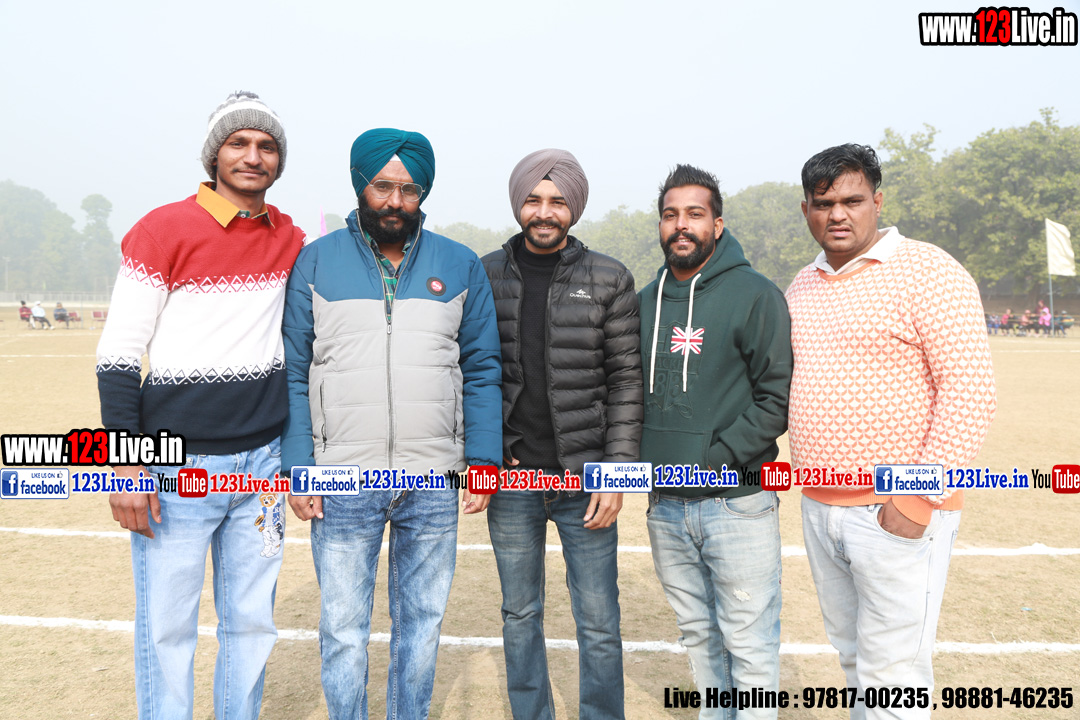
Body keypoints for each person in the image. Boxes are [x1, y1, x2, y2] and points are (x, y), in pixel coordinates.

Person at [95, 91, 305, 719]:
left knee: (252, 625)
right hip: (175, 469)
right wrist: (124, 467)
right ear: (215, 154)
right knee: (168, 629)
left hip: (264, 468)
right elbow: (118, 355)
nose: (253, 156)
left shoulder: (289, 237)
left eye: (267, 146)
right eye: (238, 143)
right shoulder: (161, 229)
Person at [280, 128, 503, 720]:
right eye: (383, 187)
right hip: (340, 478)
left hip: (433, 480)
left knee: (422, 626)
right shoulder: (316, 261)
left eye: (409, 189)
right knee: (343, 629)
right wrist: (298, 467)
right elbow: (294, 370)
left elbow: (482, 368)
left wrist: (483, 460)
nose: (395, 201)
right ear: (361, 185)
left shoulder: (459, 264)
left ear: (422, 192)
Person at [786, 143, 996, 720]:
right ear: (806, 209)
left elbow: (970, 389)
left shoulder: (929, 270)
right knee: (855, 659)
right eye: (823, 203)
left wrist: (916, 499)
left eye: (852, 200)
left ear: (877, 202)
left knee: (894, 673)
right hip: (821, 508)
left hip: (895, 510)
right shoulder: (802, 284)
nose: (837, 214)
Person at [481, 149, 642, 720]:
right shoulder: (484, 275)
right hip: (512, 482)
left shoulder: (610, 277)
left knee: (598, 621)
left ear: (574, 207)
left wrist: (617, 473)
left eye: (557, 201)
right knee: (519, 614)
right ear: (518, 204)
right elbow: (473, 376)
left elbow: (627, 381)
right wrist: (482, 460)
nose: (544, 212)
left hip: (586, 481)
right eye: (533, 199)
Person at [638, 164, 791, 719]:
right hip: (666, 506)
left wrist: (714, 459)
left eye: (695, 214)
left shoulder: (755, 294)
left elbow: (776, 396)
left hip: (737, 503)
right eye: (670, 215)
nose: (681, 225)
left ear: (717, 225)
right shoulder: (645, 300)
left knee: (749, 646)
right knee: (700, 640)